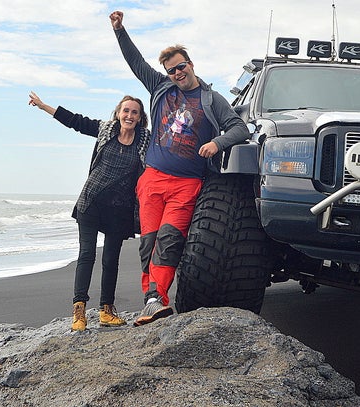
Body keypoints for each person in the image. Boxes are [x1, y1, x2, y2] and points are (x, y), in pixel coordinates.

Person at [109, 10, 251, 326]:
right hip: (152, 180)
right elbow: (136, 63)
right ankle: (153, 300)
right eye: (171, 70)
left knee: (170, 241)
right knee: (149, 242)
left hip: (186, 184)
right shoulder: (161, 88)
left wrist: (218, 143)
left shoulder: (212, 99)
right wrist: (120, 30)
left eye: (180, 67)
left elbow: (240, 128)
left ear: (191, 64)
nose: (177, 73)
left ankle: (156, 299)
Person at [28, 91, 151, 331]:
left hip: (120, 210)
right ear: (118, 113)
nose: (129, 115)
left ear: (140, 117)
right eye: (125, 110)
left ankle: (107, 310)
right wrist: (44, 106)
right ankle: (79, 312)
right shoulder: (105, 130)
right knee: (86, 255)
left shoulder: (145, 139)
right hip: (91, 203)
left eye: (134, 112)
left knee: (111, 260)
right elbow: (76, 122)